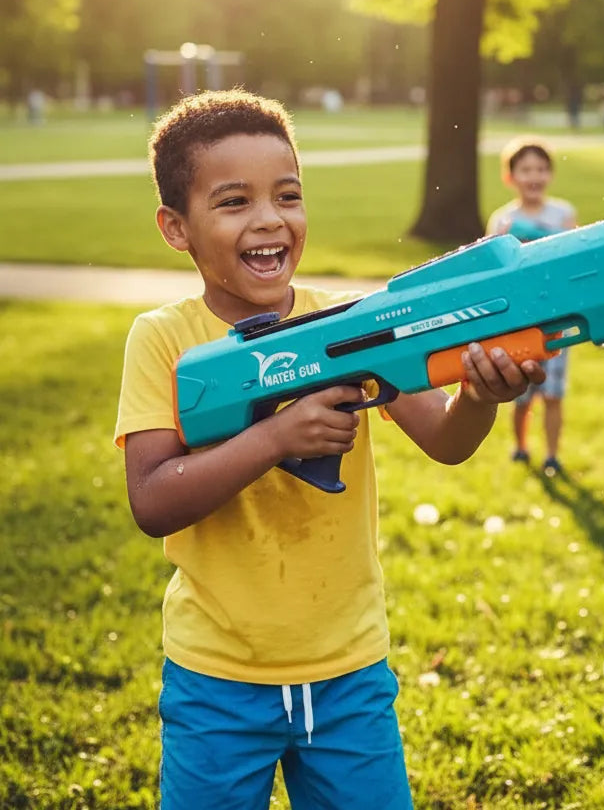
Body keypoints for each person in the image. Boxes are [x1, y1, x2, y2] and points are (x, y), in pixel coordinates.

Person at [114, 89, 545, 810]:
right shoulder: (163, 339)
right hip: (217, 677)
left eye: (288, 195)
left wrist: (479, 396)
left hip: (350, 672)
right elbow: (152, 499)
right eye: (234, 202)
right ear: (175, 227)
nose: (269, 219)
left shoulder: (351, 324)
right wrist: (275, 438)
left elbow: (445, 440)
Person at [486, 136, 577, 477]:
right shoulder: (503, 219)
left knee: (553, 394)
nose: (534, 176)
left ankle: (552, 455)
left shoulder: (563, 214)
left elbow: (571, 258)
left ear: (550, 174)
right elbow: (495, 271)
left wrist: (542, 240)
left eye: (541, 169)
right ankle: (521, 447)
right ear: (510, 177)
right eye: (526, 170)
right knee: (520, 393)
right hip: (519, 320)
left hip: (556, 318)